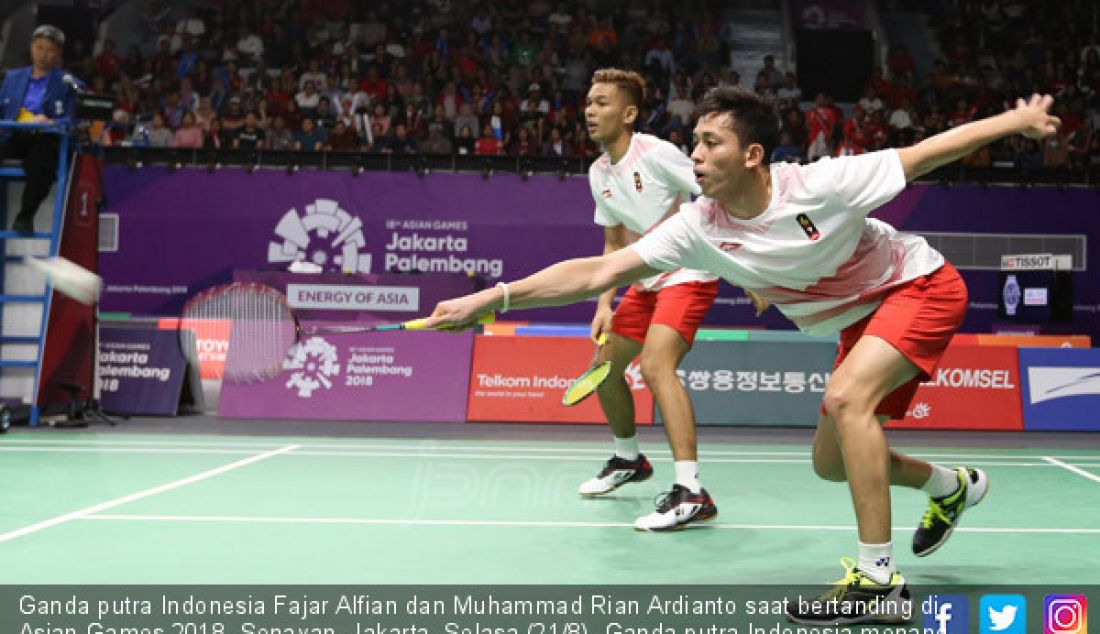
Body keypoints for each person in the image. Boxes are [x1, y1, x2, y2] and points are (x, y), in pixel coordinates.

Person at [424, 87, 1060, 623]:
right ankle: (953, 487)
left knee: (846, 401)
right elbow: (601, 269)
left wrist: (1019, 121)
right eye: (694, 142)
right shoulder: (699, 224)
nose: (695, 155)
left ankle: (878, 583)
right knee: (832, 464)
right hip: (856, 319)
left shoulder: (820, 184)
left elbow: (925, 154)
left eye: (710, 143)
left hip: (917, 287)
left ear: (753, 154)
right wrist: (495, 297)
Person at [570, 68, 733, 531]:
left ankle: (692, 492)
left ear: (629, 113)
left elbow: (718, 191)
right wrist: (605, 302)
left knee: (657, 365)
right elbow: (613, 244)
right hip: (644, 281)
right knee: (604, 368)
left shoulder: (657, 153)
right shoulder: (598, 172)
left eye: (602, 103)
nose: (590, 111)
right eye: (588, 103)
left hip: (688, 272)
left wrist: (751, 268)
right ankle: (629, 460)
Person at [0, 25, 79, 234]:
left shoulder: (68, 83)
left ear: (59, 53)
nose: (43, 54)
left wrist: (53, 121)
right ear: (31, 48)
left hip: (45, 139)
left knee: (41, 165)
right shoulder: (12, 77)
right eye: (39, 47)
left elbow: (74, 119)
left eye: (50, 49)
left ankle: (25, 217)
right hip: (12, 135)